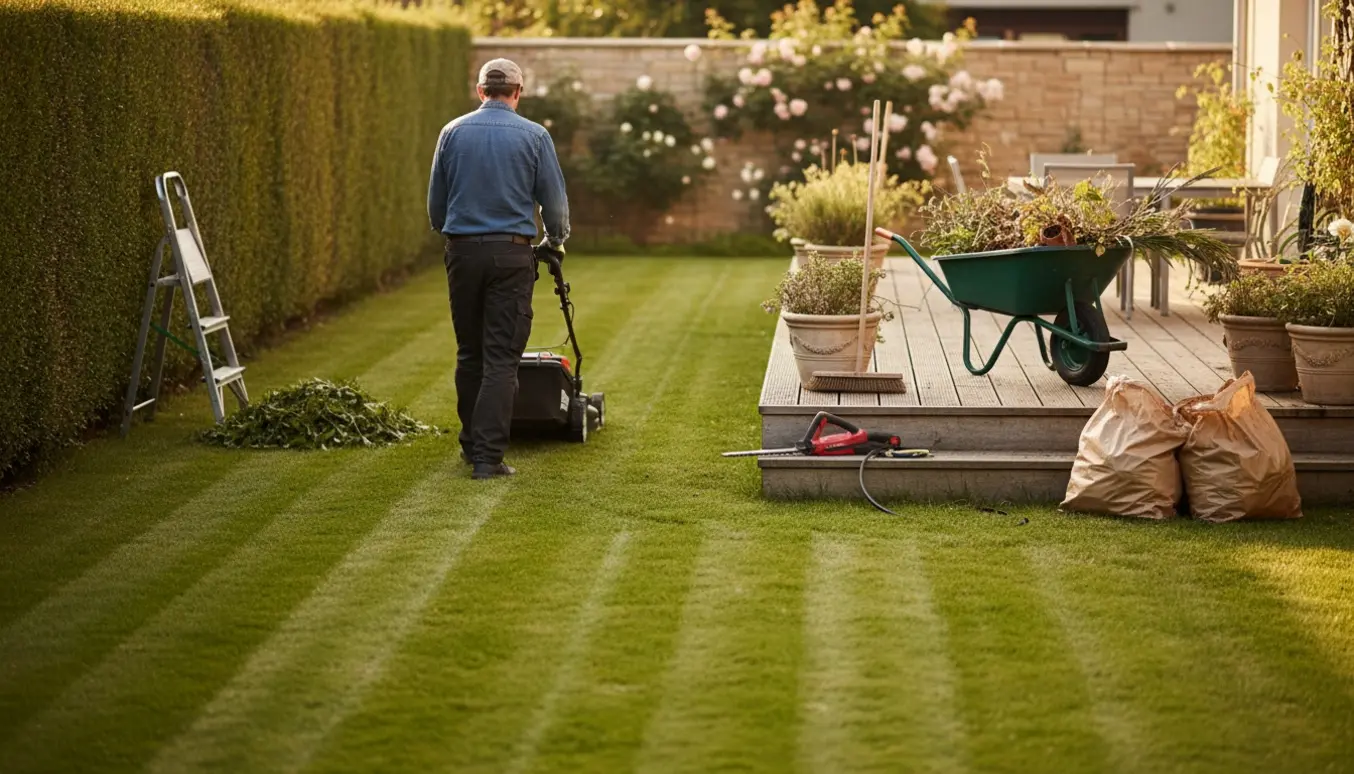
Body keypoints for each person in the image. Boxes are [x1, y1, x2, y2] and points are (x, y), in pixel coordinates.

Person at [428, 58, 570, 480]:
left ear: (480, 90)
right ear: (517, 92)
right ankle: (487, 459)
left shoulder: (451, 132)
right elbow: (554, 203)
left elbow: (437, 202)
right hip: (511, 255)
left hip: (463, 253)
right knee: (502, 358)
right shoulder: (535, 135)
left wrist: (451, 234)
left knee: (470, 352)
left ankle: (472, 446)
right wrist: (555, 241)